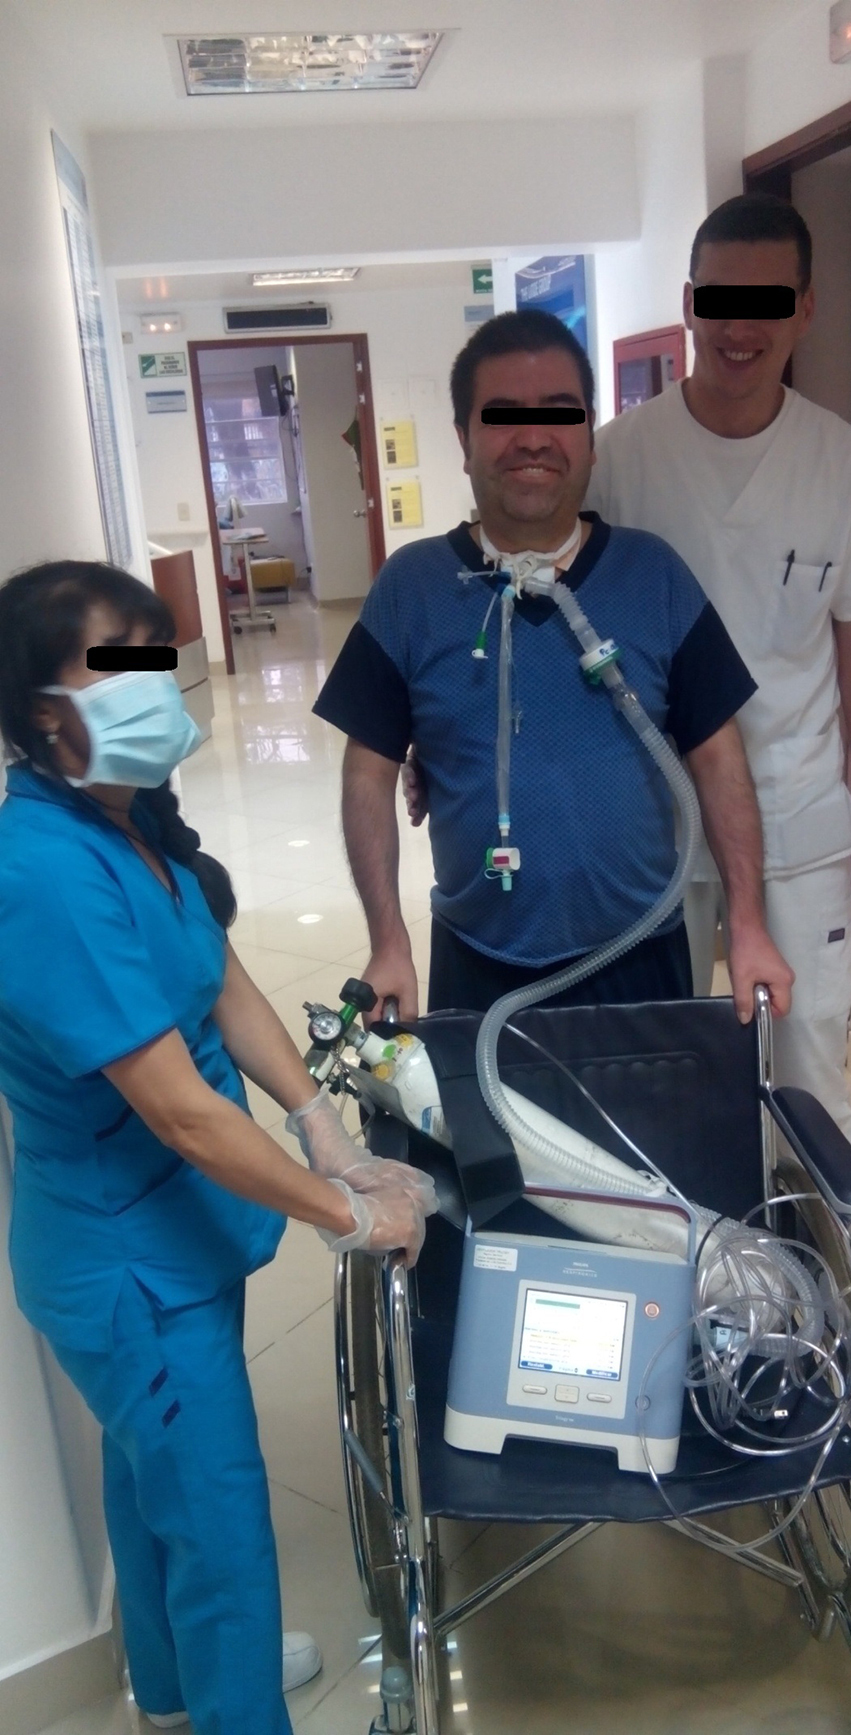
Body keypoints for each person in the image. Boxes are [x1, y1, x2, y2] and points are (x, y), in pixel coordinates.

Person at [0, 561, 436, 1735]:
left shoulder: (127, 819)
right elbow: (183, 1113)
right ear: (45, 711)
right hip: (125, 1263)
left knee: (150, 1476)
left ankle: (171, 1693)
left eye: (158, 656)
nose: (156, 684)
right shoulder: (41, 874)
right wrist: (349, 1212)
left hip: (171, 1235)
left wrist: (317, 1122)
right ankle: (229, 1701)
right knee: (219, 1528)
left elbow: (222, 979)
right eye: (120, 666)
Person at [586, 192, 851, 1384]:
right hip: (649, 828)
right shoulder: (620, 459)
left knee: (810, 1066)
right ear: (690, 306)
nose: (740, 329)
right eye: (720, 302)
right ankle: (699, 1285)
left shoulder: (844, 466)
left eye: (767, 302)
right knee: (664, 1066)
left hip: (794, 820)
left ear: (803, 310)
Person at [314, 309, 793, 1028]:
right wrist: (388, 941)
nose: (533, 437)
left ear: (589, 438)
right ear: (463, 439)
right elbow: (367, 771)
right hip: (477, 960)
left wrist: (748, 925)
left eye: (559, 414)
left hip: (639, 954)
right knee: (481, 1109)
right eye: (503, 415)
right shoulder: (412, 589)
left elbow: (719, 756)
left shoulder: (653, 575)